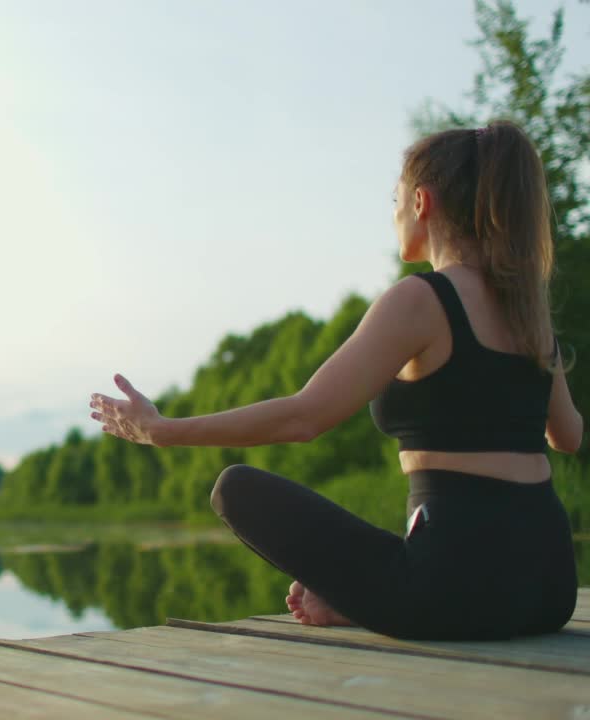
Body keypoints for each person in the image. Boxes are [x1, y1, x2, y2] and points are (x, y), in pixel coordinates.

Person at [88, 120, 582, 641]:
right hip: (550, 588)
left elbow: (306, 417)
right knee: (413, 551)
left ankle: (372, 598)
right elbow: (567, 436)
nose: (392, 215)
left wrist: (162, 429)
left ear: (421, 203)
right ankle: (369, 598)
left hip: (452, 592)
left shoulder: (420, 300)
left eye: (395, 199)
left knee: (236, 489)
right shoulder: (528, 311)